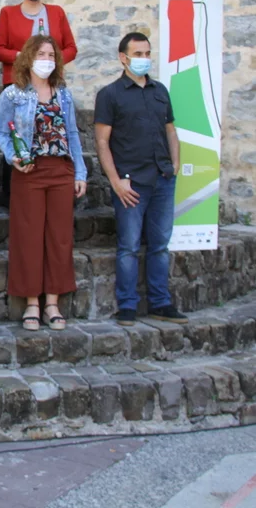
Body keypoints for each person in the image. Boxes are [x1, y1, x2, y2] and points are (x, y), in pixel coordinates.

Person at [94, 32, 188, 327]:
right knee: (129, 247)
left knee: (160, 246)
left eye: (147, 53)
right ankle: (127, 306)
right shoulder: (109, 95)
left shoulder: (160, 91)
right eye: (138, 54)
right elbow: (102, 142)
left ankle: (161, 303)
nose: (144, 59)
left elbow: (170, 130)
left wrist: (174, 164)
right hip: (131, 184)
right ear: (123, 58)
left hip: (162, 179)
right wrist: (115, 182)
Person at [0, 36, 87, 331]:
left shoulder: (64, 95)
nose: (47, 59)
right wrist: (13, 157)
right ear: (28, 58)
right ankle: (32, 302)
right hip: (29, 171)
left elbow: (72, 134)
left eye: (51, 55)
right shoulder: (13, 95)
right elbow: (0, 133)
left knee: (60, 237)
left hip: (61, 170)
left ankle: (52, 303)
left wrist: (80, 173)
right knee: (28, 236)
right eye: (41, 54)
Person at [0, 0, 78, 210]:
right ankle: (14, 196)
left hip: (51, 85)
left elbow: (71, 48)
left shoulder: (56, 13)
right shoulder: (8, 13)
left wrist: (53, 60)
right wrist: (25, 58)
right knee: (18, 138)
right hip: (19, 85)